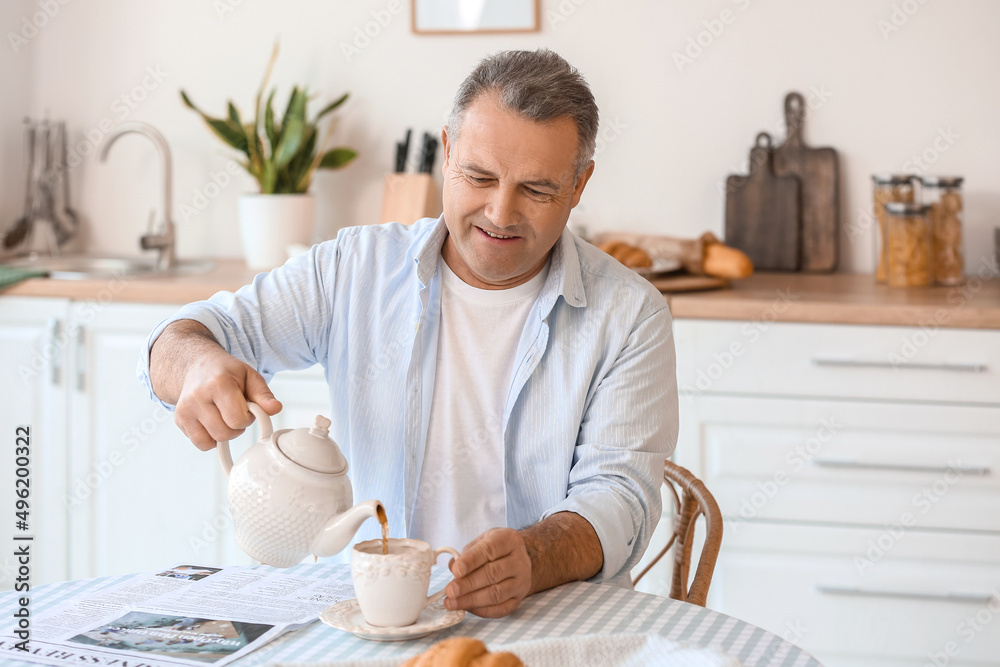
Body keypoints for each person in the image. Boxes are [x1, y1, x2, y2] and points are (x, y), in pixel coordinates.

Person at [140, 49, 678, 619]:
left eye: (537, 190)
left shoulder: (630, 315)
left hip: (554, 626)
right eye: (479, 176)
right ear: (446, 153)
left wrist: (534, 556)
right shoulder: (355, 268)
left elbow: (622, 497)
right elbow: (188, 335)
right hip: (370, 621)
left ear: (578, 184)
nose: (500, 211)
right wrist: (196, 363)